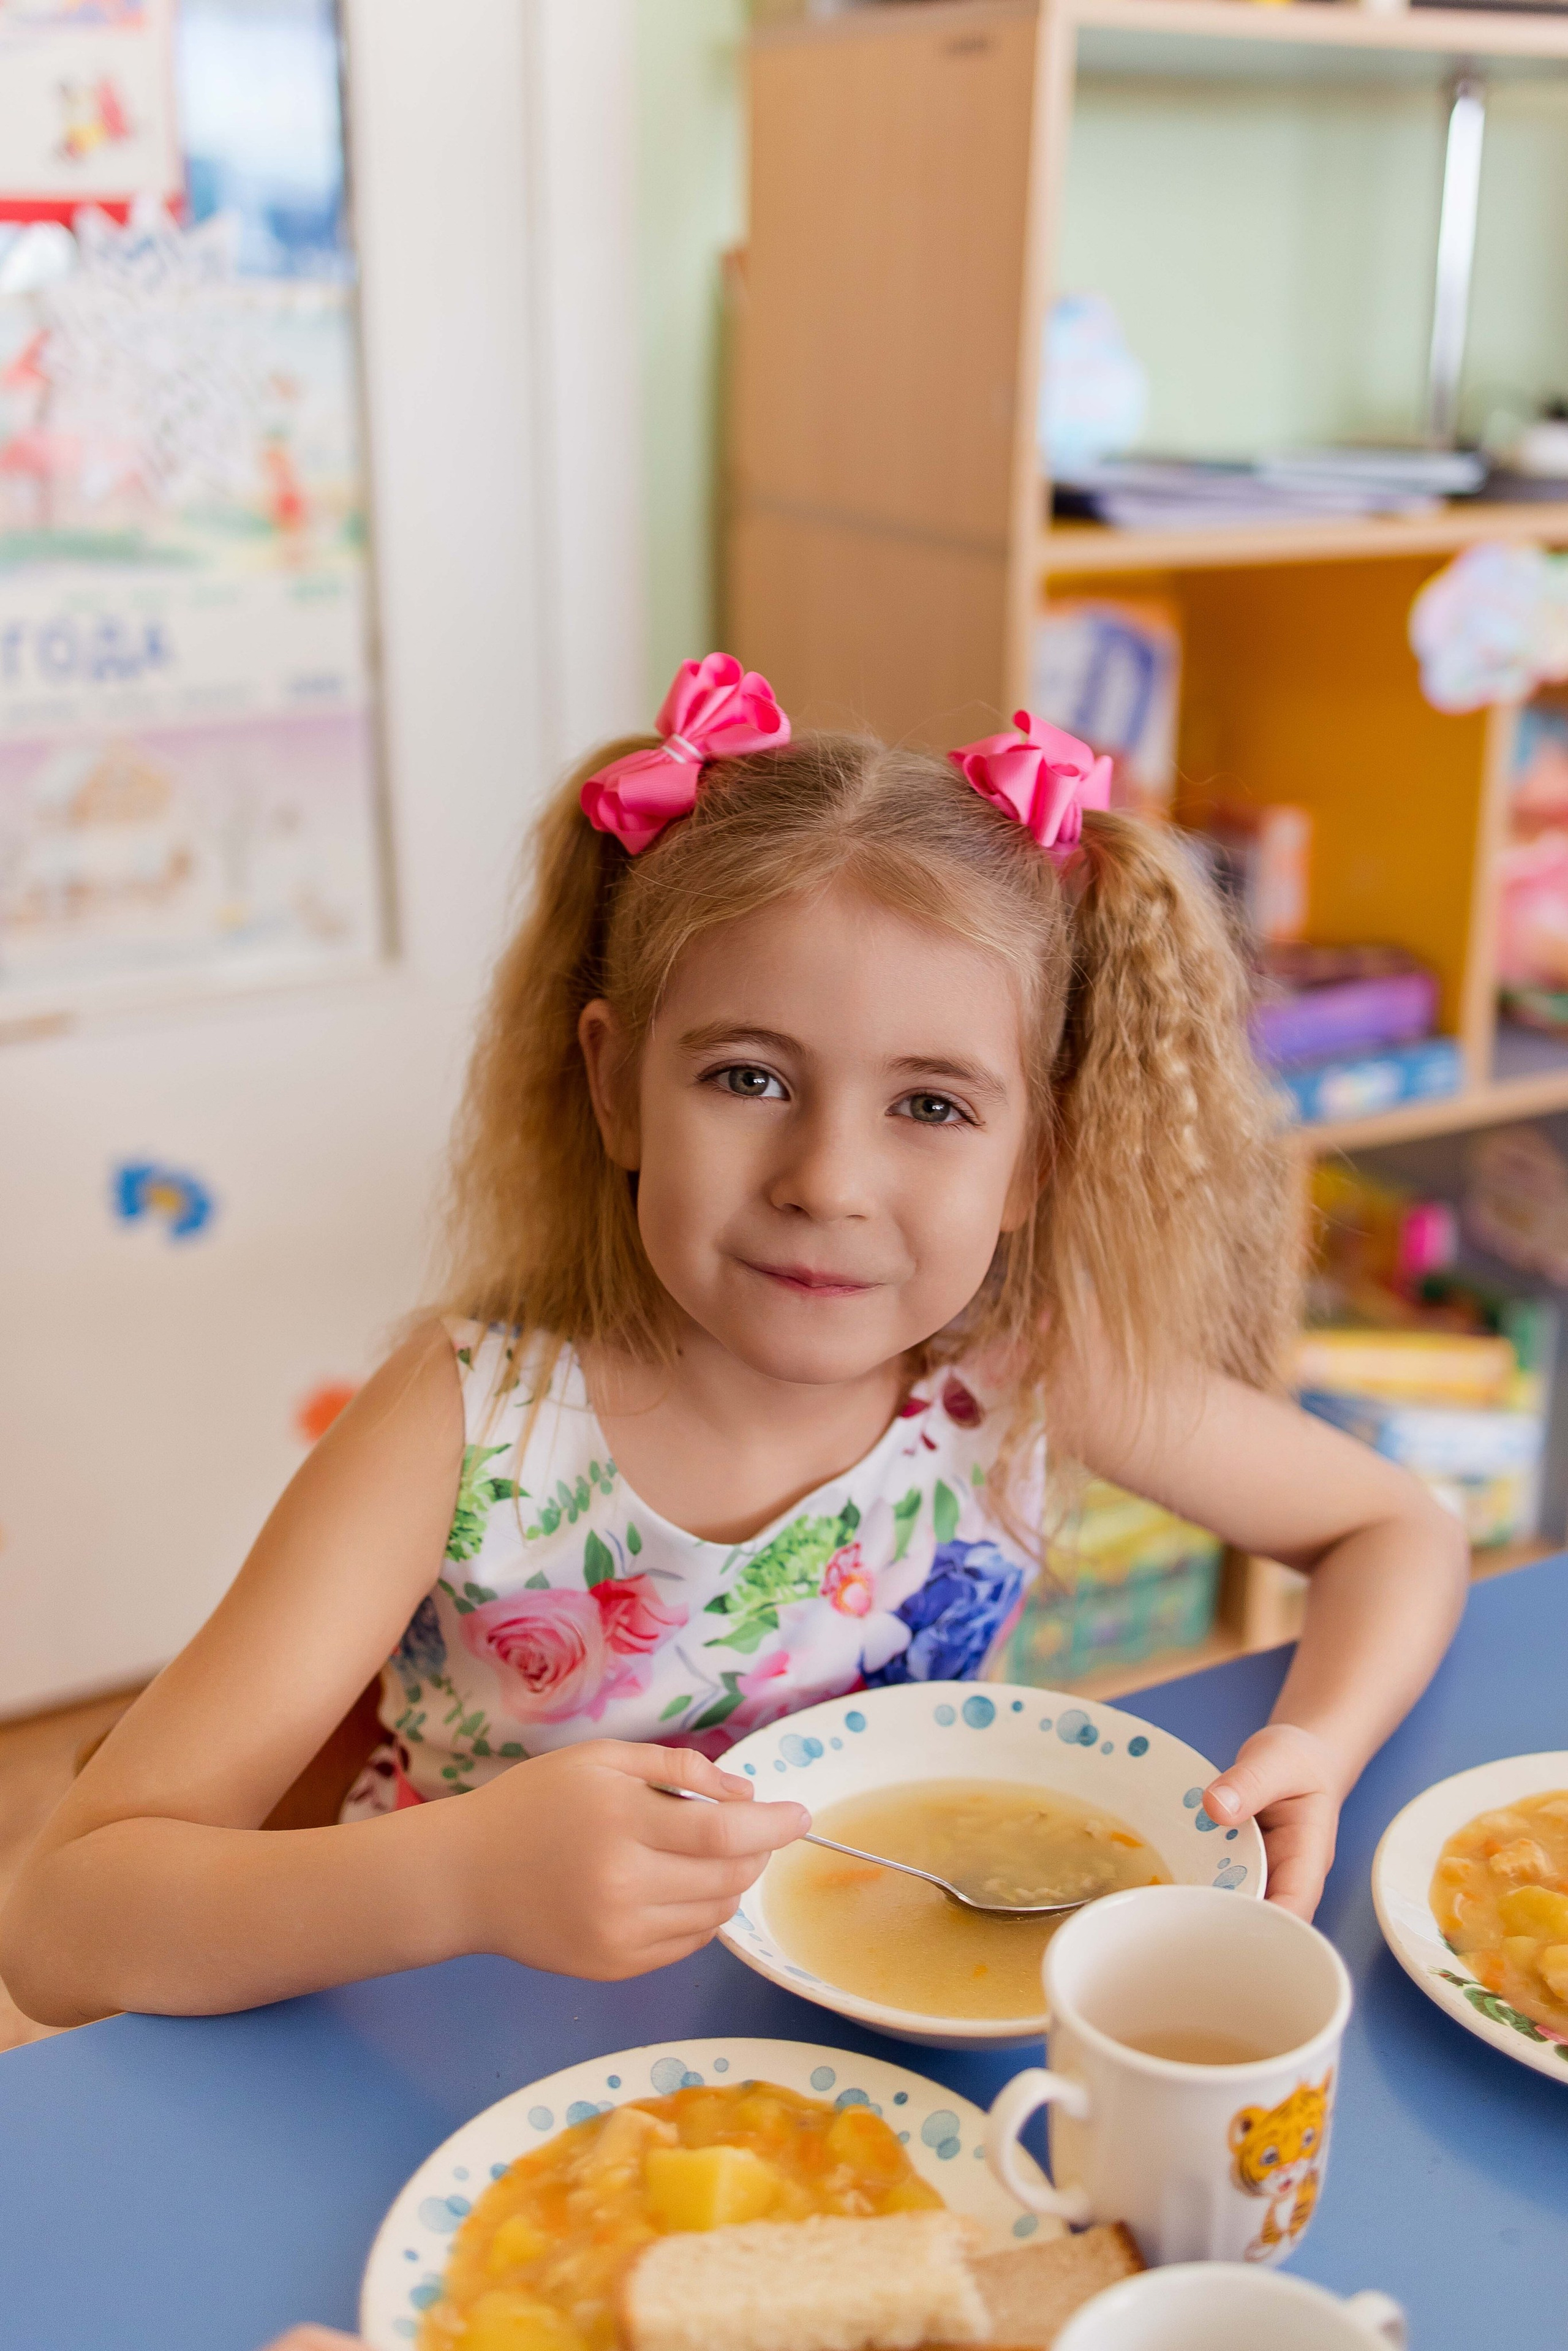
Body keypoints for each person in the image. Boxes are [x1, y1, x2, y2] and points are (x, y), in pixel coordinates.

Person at [0, 655, 1466, 2025]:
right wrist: (459, 1873)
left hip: (856, 2033)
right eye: (749, 1075)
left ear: (1036, 1158)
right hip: (456, 2047)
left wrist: (1318, 1745)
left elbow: (1392, 1526)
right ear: (617, 1083)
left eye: (933, 1105)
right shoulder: (468, 1421)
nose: (826, 1178)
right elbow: (60, 1929)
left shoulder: (1013, 1371)